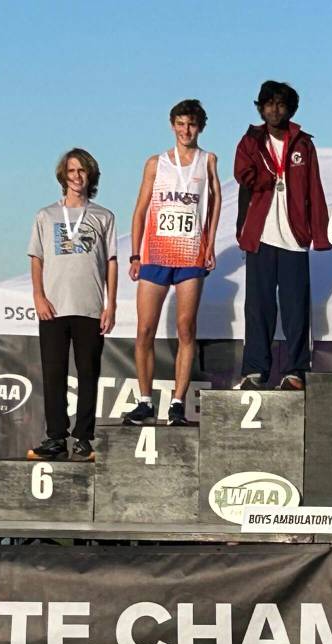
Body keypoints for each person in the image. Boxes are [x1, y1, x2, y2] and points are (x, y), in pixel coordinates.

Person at [123, 99, 221, 425]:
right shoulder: (156, 163)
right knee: (144, 329)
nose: (185, 130)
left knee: (185, 328)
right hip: (155, 255)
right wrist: (135, 253)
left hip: (190, 255)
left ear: (200, 127)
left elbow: (216, 199)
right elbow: (140, 210)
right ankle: (145, 401)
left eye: (191, 124)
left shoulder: (208, 161)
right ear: (172, 126)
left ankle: (178, 402)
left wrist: (210, 243)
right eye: (180, 124)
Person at [233, 81, 331, 391]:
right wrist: (269, 175)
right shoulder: (251, 141)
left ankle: (296, 370)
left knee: (295, 308)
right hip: (260, 235)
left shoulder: (303, 144)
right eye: (269, 104)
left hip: (294, 236)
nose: (275, 110)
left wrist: (320, 234)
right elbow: (242, 173)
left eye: (281, 104)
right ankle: (254, 370)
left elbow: (314, 188)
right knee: (258, 307)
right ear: (260, 108)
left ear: (290, 109)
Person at [27, 149, 117, 461]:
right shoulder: (45, 215)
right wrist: (38, 296)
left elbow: (111, 261)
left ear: (90, 175)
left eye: (82, 171)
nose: (77, 176)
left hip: (90, 306)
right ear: (63, 176)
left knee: (88, 373)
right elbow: (36, 259)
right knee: (53, 374)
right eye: (72, 171)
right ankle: (55, 437)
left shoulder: (104, 216)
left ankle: (83, 438)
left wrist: (111, 305)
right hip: (53, 306)